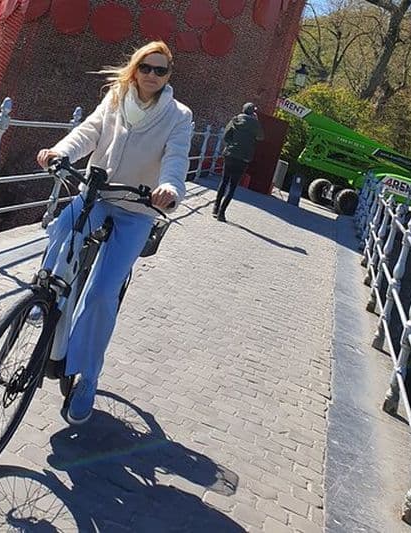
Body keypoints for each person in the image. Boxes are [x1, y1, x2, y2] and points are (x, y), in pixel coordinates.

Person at [36, 41, 192, 425]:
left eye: (162, 71)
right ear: (135, 67)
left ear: (170, 75)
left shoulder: (179, 116)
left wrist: (170, 189)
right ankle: (44, 299)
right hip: (98, 194)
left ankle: (87, 377)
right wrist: (61, 152)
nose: (153, 76)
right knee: (61, 230)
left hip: (138, 209)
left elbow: (176, 159)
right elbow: (89, 131)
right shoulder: (116, 96)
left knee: (103, 294)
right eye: (147, 68)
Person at [212, 102, 264, 222]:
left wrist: (231, 145)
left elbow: (225, 136)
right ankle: (221, 213)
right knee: (233, 186)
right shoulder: (255, 124)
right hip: (244, 158)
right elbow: (261, 137)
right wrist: (257, 122)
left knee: (224, 181)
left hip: (230, 154)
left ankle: (215, 207)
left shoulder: (235, 120)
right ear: (253, 112)